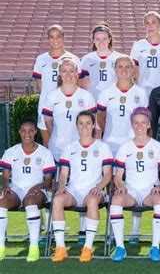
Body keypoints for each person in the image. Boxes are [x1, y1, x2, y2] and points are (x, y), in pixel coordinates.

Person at [50, 111, 113, 262]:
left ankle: (87, 247)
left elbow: (108, 175)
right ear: (77, 126)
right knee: (57, 200)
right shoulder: (70, 148)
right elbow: (64, 173)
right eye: (81, 123)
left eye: (87, 123)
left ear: (93, 125)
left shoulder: (103, 147)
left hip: (93, 189)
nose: (84, 126)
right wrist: (62, 186)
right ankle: (60, 248)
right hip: (73, 190)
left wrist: (99, 187)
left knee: (92, 201)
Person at [110, 107, 160, 262]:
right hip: (131, 191)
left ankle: (155, 247)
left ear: (149, 124)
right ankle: (120, 247)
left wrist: (159, 187)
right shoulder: (125, 147)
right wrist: (119, 186)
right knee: (116, 200)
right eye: (136, 122)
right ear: (132, 125)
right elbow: (117, 176)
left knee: (159, 201)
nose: (139, 126)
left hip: (150, 191)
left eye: (143, 122)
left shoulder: (157, 146)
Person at [0, 119, 55, 262]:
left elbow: (48, 180)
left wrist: (38, 187)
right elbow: (5, 177)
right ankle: (1, 247)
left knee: (30, 201)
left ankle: (33, 246)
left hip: (38, 190)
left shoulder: (45, 153)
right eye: (23, 130)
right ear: (19, 133)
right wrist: (5, 188)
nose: (27, 134)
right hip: (17, 189)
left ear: (36, 132)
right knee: (1, 202)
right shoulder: (10, 152)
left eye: (31, 130)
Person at [33, 24, 81, 146]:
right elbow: (40, 85)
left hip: (68, 105)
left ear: (64, 37)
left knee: (71, 141)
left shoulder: (73, 58)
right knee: (48, 142)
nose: (55, 40)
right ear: (48, 39)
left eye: (58, 36)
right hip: (46, 104)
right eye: (52, 37)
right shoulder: (41, 59)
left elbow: (77, 83)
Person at [41, 57, 96, 161]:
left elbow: (93, 122)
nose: (68, 75)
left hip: (81, 146)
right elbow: (48, 121)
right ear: (60, 74)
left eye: (71, 71)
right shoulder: (51, 96)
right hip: (58, 147)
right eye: (64, 71)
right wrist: (56, 137)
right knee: (60, 176)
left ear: (77, 73)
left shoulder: (86, 96)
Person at [97, 55, 149, 155]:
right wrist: (110, 133)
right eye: (120, 67)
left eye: (127, 67)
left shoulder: (141, 93)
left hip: (134, 141)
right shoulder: (105, 93)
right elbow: (100, 118)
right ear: (115, 69)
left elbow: (146, 120)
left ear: (133, 69)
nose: (124, 70)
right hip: (110, 143)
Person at [131, 11, 160, 94]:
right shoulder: (138, 45)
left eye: (154, 22)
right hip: (143, 91)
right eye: (147, 23)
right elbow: (134, 72)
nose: (150, 26)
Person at [80, 22, 122, 101]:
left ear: (109, 39)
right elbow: (83, 83)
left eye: (104, 39)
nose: (101, 42)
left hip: (114, 100)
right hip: (93, 100)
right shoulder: (87, 59)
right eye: (98, 39)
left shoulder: (118, 58)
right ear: (93, 40)